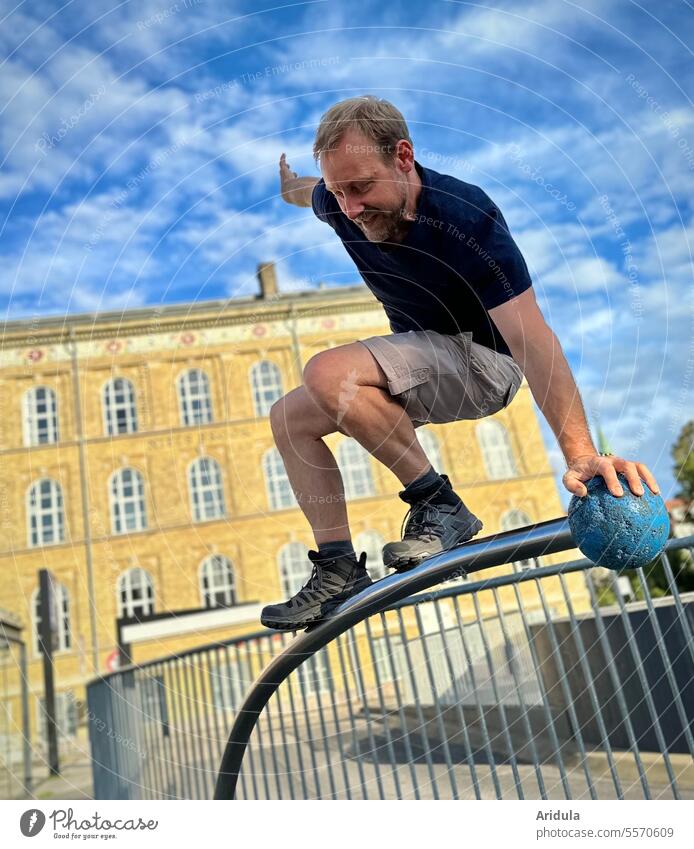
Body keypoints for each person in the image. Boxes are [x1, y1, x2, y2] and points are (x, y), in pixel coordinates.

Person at [259, 95, 660, 631]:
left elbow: (533, 339)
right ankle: (337, 568)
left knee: (329, 371)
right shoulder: (336, 202)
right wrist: (292, 181)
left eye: (361, 187)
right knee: (290, 418)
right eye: (338, 191)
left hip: (485, 363)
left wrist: (582, 453)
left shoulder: (464, 216)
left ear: (403, 156)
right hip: (423, 360)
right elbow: (302, 193)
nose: (350, 208)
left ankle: (439, 504)